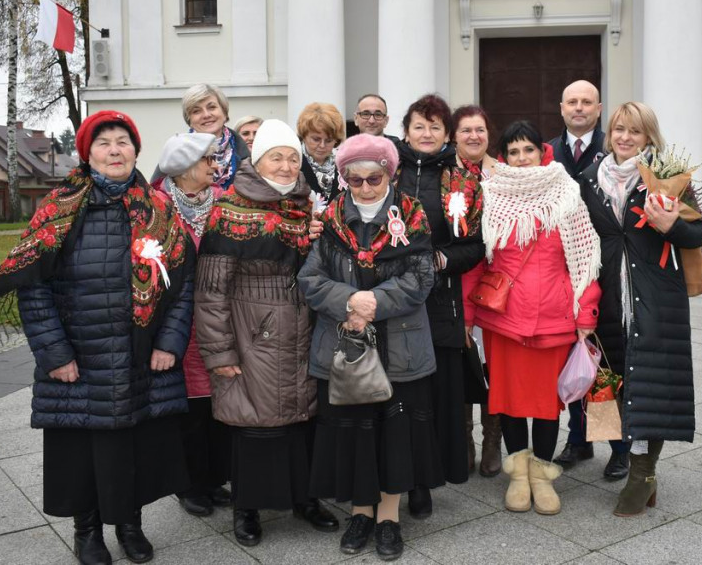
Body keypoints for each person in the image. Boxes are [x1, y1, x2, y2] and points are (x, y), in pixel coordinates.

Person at [0, 111, 196, 565]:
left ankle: (130, 525)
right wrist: (55, 354)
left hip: (141, 355)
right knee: (83, 451)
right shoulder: (58, 209)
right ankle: (87, 531)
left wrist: (169, 343)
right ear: (87, 153)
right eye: (104, 143)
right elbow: (33, 287)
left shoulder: (159, 210)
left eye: (123, 142)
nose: (115, 150)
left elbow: (182, 285)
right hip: (81, 356)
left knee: (136, 445)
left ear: (136, 150)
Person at [299, 133, 442, 561]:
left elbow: (422, 278)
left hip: (400, 345)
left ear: (389, 175)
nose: (364, 188)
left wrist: (374, 302)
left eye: (373, 179)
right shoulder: (329, 219)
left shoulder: (411, 216)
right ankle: (360, 513)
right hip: (346, 342)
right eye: (355, 180)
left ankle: (388, 518)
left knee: (394, 434)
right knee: (355, 431)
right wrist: (350, 301)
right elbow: (310, 279)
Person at [194, 119, 339, 546]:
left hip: (302, 329)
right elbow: (210, 291)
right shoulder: (228, 210)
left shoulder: (304, 206)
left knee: (303, 420)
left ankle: (305, 498)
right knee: (254, 424)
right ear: (257, 162)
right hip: (252, 333)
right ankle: (248, 508)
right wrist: (220, 353)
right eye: (276, 157)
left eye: (293, 157)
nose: (287, 165)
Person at [580, 101, 702, 517]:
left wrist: (672, 225)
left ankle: (642, 474)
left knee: (652, 385)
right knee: (614, 381)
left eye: (634, 131)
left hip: (654, 297)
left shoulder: (666, 177)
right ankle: (628, 457)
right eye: (619, 129)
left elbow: (698, 233)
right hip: (606, 297)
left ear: (648, 137)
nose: (625, 137)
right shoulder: (589, 179)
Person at [469, 120, 602, 516]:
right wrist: (469, 314)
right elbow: (478, 259)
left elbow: (584, 261)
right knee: (508, 401)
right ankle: (519, 475)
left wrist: (587, 311)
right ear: (504, 157)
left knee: (546, 403)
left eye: (528, 149)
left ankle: (542, 476)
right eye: (513, 152)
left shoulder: (565, 193)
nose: (521, 158)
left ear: (542, 152)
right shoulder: (490, 193)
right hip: (504, 318)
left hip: (553, 316)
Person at [395, 94, 485, 518]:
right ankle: (396, 475)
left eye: (435, 126)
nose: (427, 133)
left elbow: (475, 246)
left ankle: (423, 483)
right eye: (419, 125)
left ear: (447, 133)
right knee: (397, 394)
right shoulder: (386, 172)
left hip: (439, 302)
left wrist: (440, 260)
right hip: (392, 301)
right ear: (406, 131)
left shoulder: (462, 179)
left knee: (432, 398)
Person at [154, 133, 233, 518]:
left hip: (217, 316)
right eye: (208, 160)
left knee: (217, 402)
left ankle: (215, 478)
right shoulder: (158, 205)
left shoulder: (221, 201)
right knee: (188, 406)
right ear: (185, 167)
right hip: (178, 319)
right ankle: (189, 484)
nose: (215, 167)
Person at [545, 80, 615, 475]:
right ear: (561, 107)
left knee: (606, 358)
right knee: (574, 357)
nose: (579, 108)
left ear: (599, 108)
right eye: (572, 101)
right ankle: (578, 439)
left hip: (607, 266)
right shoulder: (547, 152)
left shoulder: (614, 147)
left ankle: (617, 445)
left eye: (587, 102)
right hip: (563, 271)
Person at [452, 104, 502, 478]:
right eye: (466, 130)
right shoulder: (444, 176)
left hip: (498, 286)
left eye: (480, 129)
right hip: (457, 283)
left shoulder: (503, 174)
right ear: (454, 136)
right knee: (461, 367)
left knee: (493, 368)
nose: (474, 136)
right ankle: (464, 442)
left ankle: (492, 441)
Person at [179, 83, 250, 190]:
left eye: (211, 107)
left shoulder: (246, 156)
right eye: (196, 111)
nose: (206, 115)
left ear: (224, 112)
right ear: (189, 119)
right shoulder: (178, 153)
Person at [296, 102, 345, 203]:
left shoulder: (344, 164)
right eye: (316, 139)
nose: (322, 145)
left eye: (329, 140)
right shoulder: (294, 162)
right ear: (304, 136)